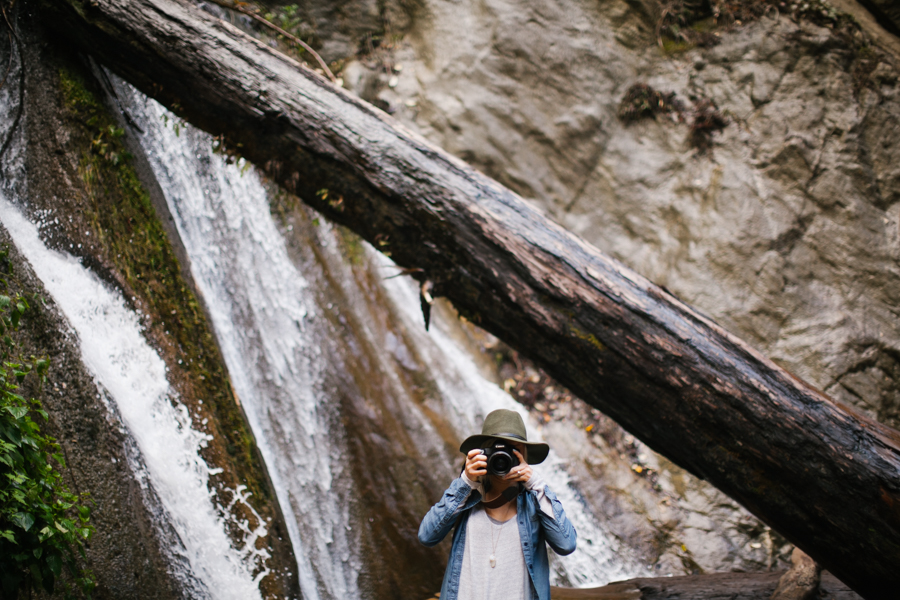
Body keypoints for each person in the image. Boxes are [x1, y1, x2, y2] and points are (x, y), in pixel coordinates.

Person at [418, 409, 577, 600]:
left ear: (524, 455)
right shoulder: (466, 498)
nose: (503, 457)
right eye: (497, 450)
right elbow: (427, 536)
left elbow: (567, 544)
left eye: (512, 450)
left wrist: (537, 484)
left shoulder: (536, 502)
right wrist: (466, 482)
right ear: (483, 453)